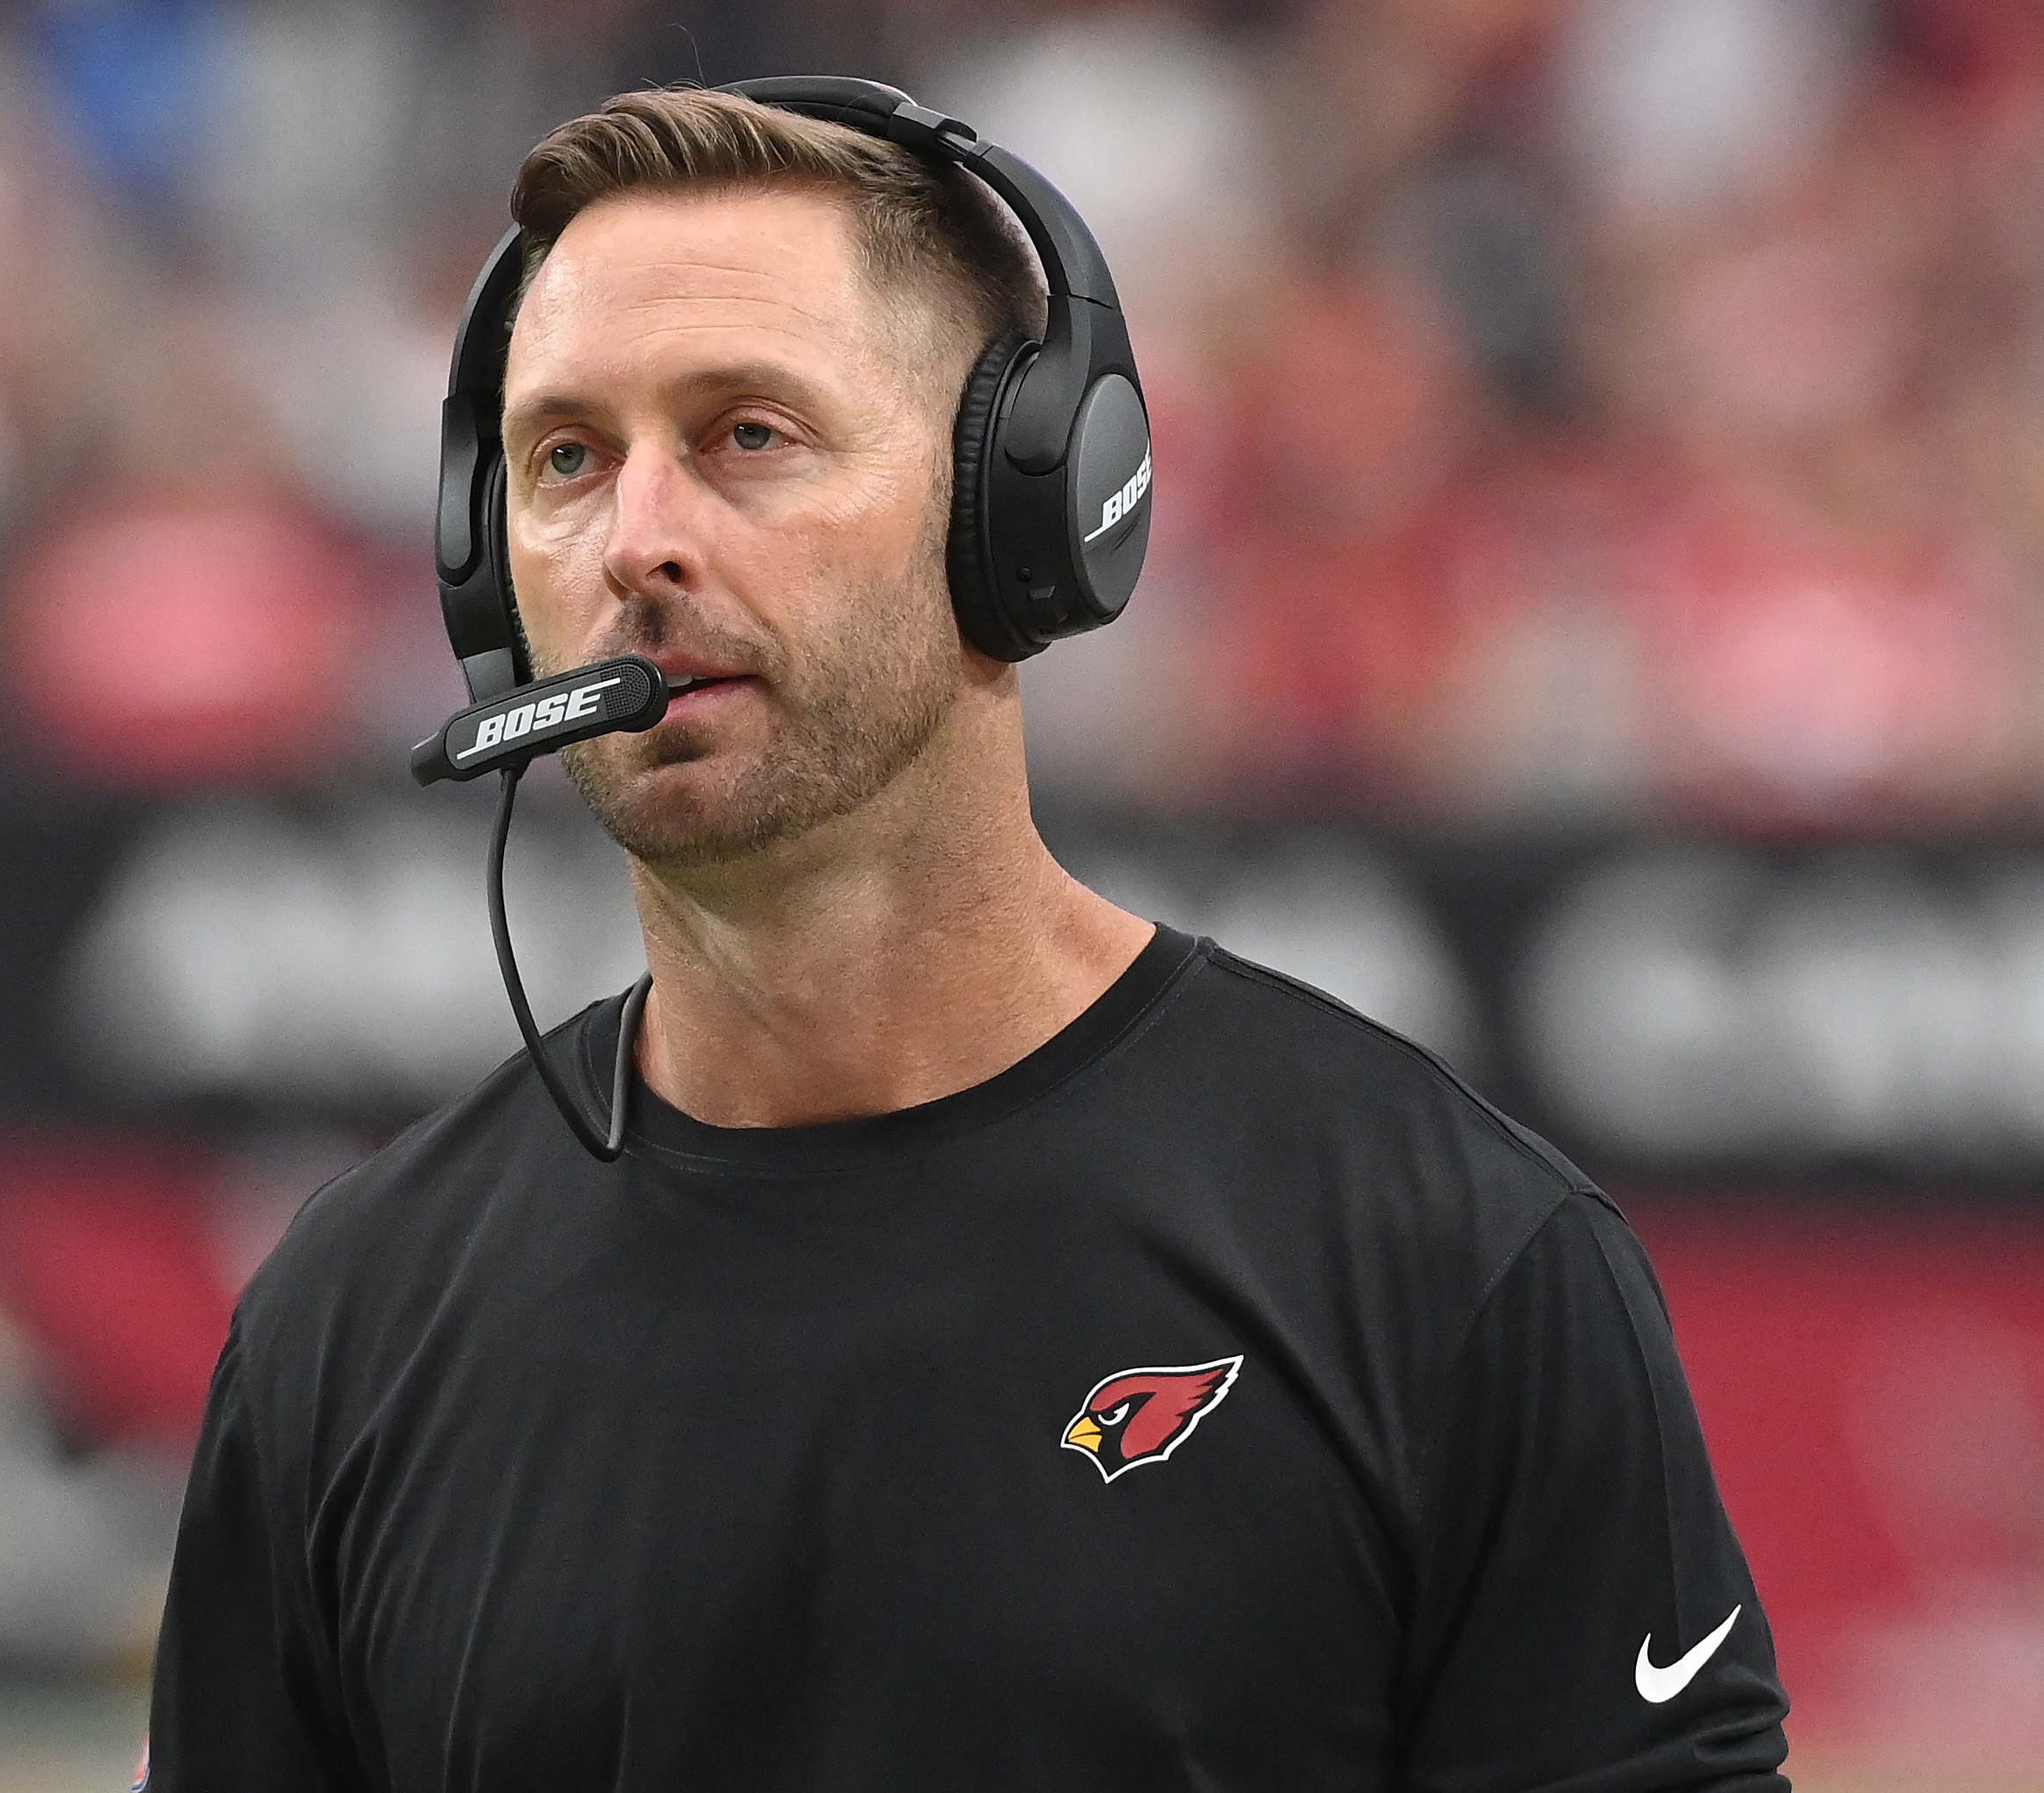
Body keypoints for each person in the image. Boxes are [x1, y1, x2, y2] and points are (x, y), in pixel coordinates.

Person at [146, 85, 1790, 1791]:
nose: (637, 539)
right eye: (566, 457)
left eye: (747, 436)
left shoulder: (1448, 1261)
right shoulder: (347, 1323)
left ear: (1022, 510)